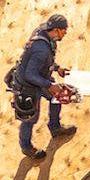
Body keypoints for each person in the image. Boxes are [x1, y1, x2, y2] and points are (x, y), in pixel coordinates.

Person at [8, 13, 75, 159]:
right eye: (64, 30)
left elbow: (45, 59)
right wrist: (49, 85)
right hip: (27, 86)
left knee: (55, 97)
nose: (65, 33)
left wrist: (57, 68)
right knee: (30, 118)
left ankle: (55, 127)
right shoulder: (41, 49)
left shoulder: (44, 35)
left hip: (40, 76)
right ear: (56, 30)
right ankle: (26, 147)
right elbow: (30, 75)